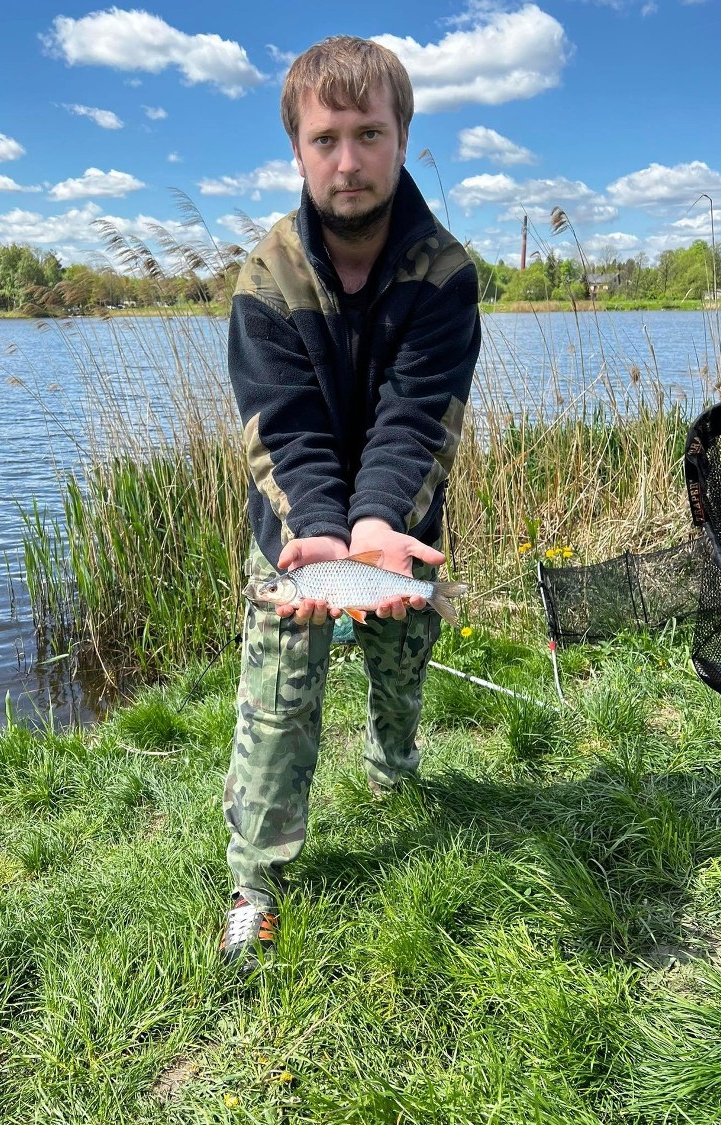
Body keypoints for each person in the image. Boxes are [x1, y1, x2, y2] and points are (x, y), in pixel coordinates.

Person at [221, 35, 481, 970]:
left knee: (400, 670)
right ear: (298, 148)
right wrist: (324, 535)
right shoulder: (266, 280)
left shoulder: (448, 275)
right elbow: (282, 433)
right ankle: (257, 881)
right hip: (297, 538)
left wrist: (377, 530)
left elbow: (420, 420)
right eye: (326, 137)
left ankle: (393, 764)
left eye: (369, 133)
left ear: (402, 137)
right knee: (280, 699)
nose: (348, 159)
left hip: (402, 533)